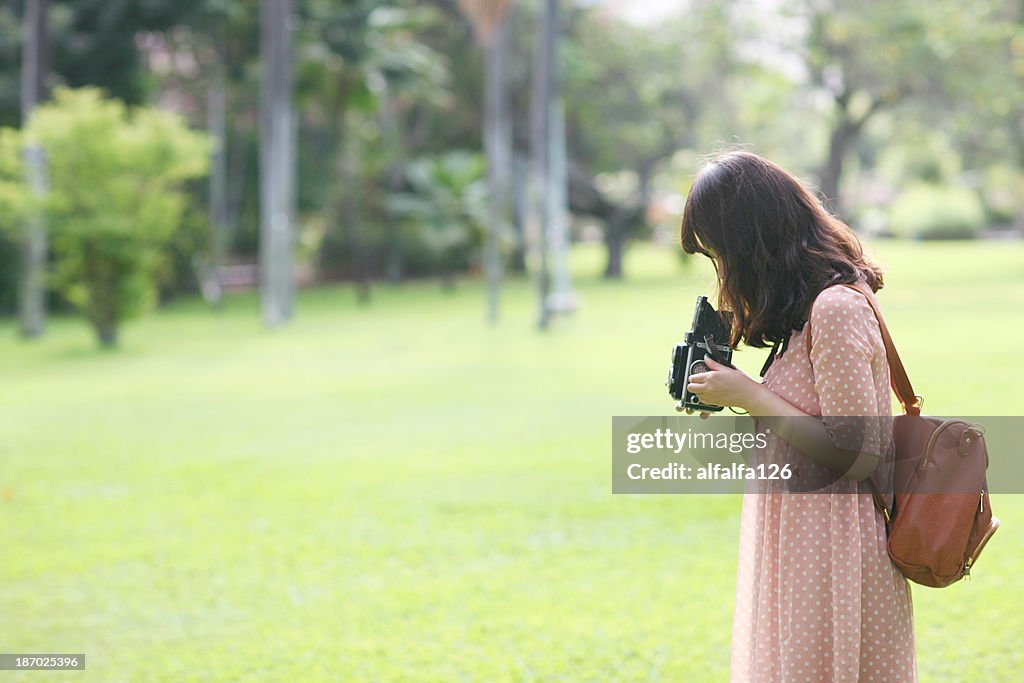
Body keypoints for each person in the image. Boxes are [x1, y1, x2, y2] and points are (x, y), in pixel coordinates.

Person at [679, 151, 916, 682]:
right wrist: (735, 397)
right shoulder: (805, 312)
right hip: (802, 534)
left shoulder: (835, 308)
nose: (722, 269)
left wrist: (752, 396)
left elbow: (858, 455)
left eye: (721, 253)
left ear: (752, 241)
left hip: (835, 544)